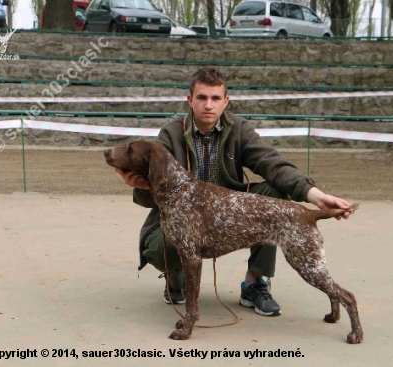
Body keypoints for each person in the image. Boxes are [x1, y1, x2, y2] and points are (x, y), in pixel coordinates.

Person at [114, 66, 353, 317]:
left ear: (225, 101)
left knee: (274, 193)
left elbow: (273, 165)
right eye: (202, 98)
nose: (209, 105)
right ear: (190, 100)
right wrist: (140, 185)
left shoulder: (239, 130)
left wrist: (314, 195)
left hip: (228, 215)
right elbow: (152, 191)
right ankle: (176, 280)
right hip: (182, 217)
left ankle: (255, 282)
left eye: (216, 98)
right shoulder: (170, 134)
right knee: (166, 242)